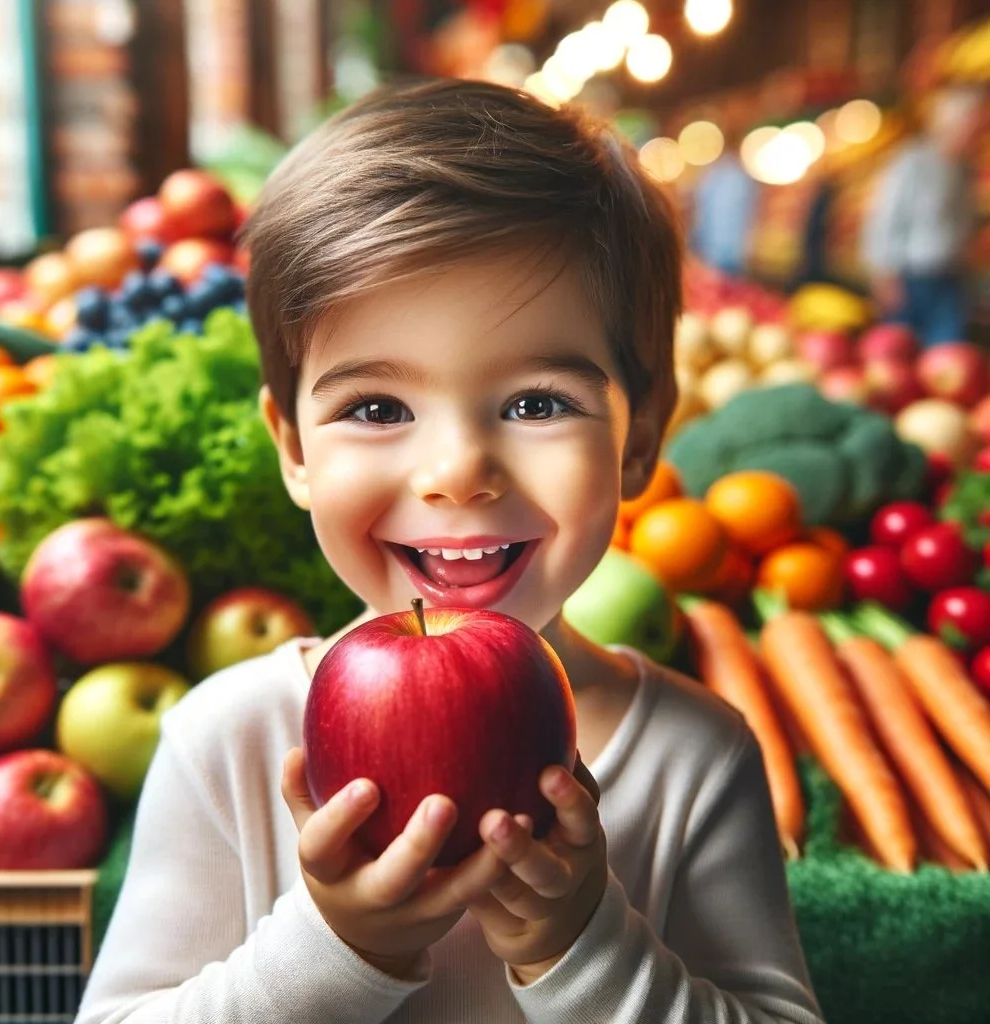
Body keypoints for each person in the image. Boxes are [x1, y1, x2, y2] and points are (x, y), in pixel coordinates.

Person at [75, 79, 825, 1024]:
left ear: (639, 440)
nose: (457, 473)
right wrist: (335, 948)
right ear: (294, 448)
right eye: (377, 409)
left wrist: (584, 946)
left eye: (537, 403)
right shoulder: (227, 741)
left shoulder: (695, 757)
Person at [861, 85, 986, 345]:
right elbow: (885, 218)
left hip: (951, 277)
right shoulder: (912, 162)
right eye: (975, 125)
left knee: (947, 350)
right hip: (911, 277)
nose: (980, 134)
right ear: (952, 123)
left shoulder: (965, 169)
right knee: (902, 348)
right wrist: (883, 272)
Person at [689, 138, 760, 277]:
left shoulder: (712, 176)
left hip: (716, 249)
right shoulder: (739, 177)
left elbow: (701, 212)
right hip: (731, 250)